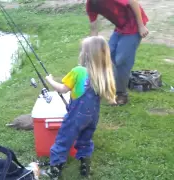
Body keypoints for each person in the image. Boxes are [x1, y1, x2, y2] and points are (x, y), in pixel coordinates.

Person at [43, 36, 116, 179]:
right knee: (85, 140)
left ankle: (55, 171)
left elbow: (63, 89)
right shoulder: (103, 73)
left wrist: (50, 80)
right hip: (92, 117)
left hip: (76, 116)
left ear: (86, 54)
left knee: (63, 140)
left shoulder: (78, 71)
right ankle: (85, 167)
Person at [86, 0, 149, 105]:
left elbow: (133, 2)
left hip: (134, 26)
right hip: (120, 27)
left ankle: (121, 94)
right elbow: (93, 27)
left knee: (121, 60)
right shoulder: (91, 5)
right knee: (106, 56)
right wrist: (92, 45)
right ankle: (106, 89)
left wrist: (141, 26)